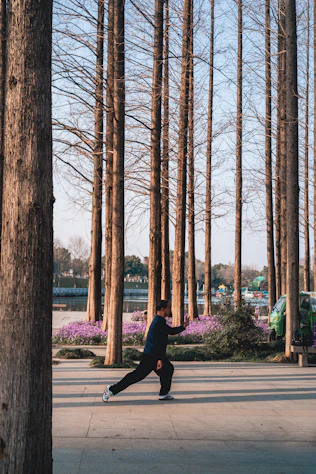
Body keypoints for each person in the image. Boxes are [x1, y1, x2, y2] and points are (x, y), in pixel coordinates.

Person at [102, 300, 189, 402]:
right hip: (151, 355)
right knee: (136, 376)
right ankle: (111, 389)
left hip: (152, 354)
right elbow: (158, 343)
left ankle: (164, 393)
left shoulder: (159, 321)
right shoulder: (158, 323)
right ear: (162, 309)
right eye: (168, 307)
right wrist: (159, 359)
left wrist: (184, 326)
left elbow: (170, 331)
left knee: (167, 369)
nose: (170, 310)